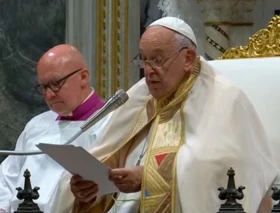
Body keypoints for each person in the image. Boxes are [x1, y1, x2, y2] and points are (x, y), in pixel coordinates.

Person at [70, 17, 278, 213]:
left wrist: (147, 178)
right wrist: (92, 191)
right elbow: (109, 159)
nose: (149, 71)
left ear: (188, 58)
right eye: (144, 60)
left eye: (158, 60)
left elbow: (220, 170)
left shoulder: (223, 97)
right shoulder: (139, 97)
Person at [0, 44, 111, 213]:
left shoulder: (112, 122)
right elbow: (7, 177)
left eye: (55, 84)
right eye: (43, 87)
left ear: (83, 77)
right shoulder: (37, 125)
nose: (49, 94)